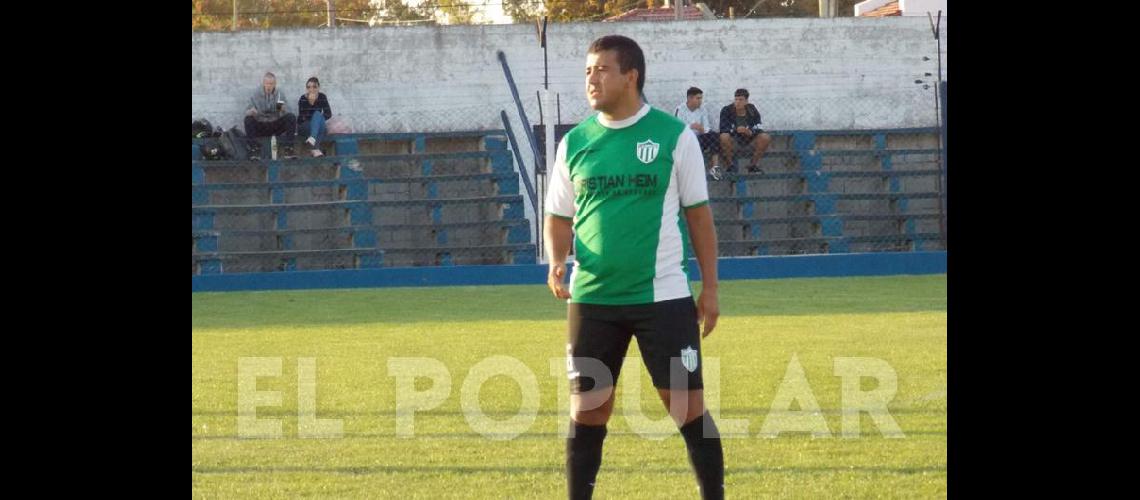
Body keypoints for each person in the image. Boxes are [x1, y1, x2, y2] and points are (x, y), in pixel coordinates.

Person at [544, 35, 723, 500]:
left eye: (601, 70)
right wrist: (557, 259)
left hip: (662, 298)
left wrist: (710, 289)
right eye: (587, 71)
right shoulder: (576, 143)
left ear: (631, 76)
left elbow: (699, 217)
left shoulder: (673, 136)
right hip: (593, 300)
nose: (591, 79)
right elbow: (559, 216)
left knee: (685, 406)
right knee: (588, 409)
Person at [673, 87, 724, 180]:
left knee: (714, 135)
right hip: (685, 140)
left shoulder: (702, 109)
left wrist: (703, 129)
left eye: (701, 98)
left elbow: (707, 127)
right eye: (698, 98)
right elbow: (676, 129)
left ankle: (715, 168)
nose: (700, 101)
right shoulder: (680, 109)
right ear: (689, 98)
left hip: (699, 138)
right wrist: (691, 126)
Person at [717, 88, 771, 174]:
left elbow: (759, 125)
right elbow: (723, 128)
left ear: (746, 101)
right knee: (724, 136)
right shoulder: (727, 110)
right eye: (736, 99)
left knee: (765, 137)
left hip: (749, 140)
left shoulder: (751, 109)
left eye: (741, 100)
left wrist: (750, 132)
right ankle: (730, 166)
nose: (737, 102)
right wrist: (735, 130)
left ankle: (753, 165)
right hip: (733, 140)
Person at [244, 72, 296, 159]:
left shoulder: (279, 94)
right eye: (267, 83)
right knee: (248, 119)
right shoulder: (256, 94)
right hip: (261, 124)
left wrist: (283, 109)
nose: (269, 86)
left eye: (271, 84)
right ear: (263, 83)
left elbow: (286, 111)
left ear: (275, 84)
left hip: (275, 124)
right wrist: (251, 111)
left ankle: (289, 149)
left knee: (291, 117)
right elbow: (247, 111)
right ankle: (254, 150)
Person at [297, 77, 333, 157]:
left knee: (318, 115)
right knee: (318, 117)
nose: (311, 89)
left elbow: (328, 114)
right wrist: (311, 103)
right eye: (308, 87)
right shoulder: (303, 99)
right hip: (304, 126)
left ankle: (313, 143)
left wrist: (319, 119)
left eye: (314, 87)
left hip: (317, 127)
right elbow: (302, 117)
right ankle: (315, 148)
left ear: (318, 88)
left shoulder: (322, 97)